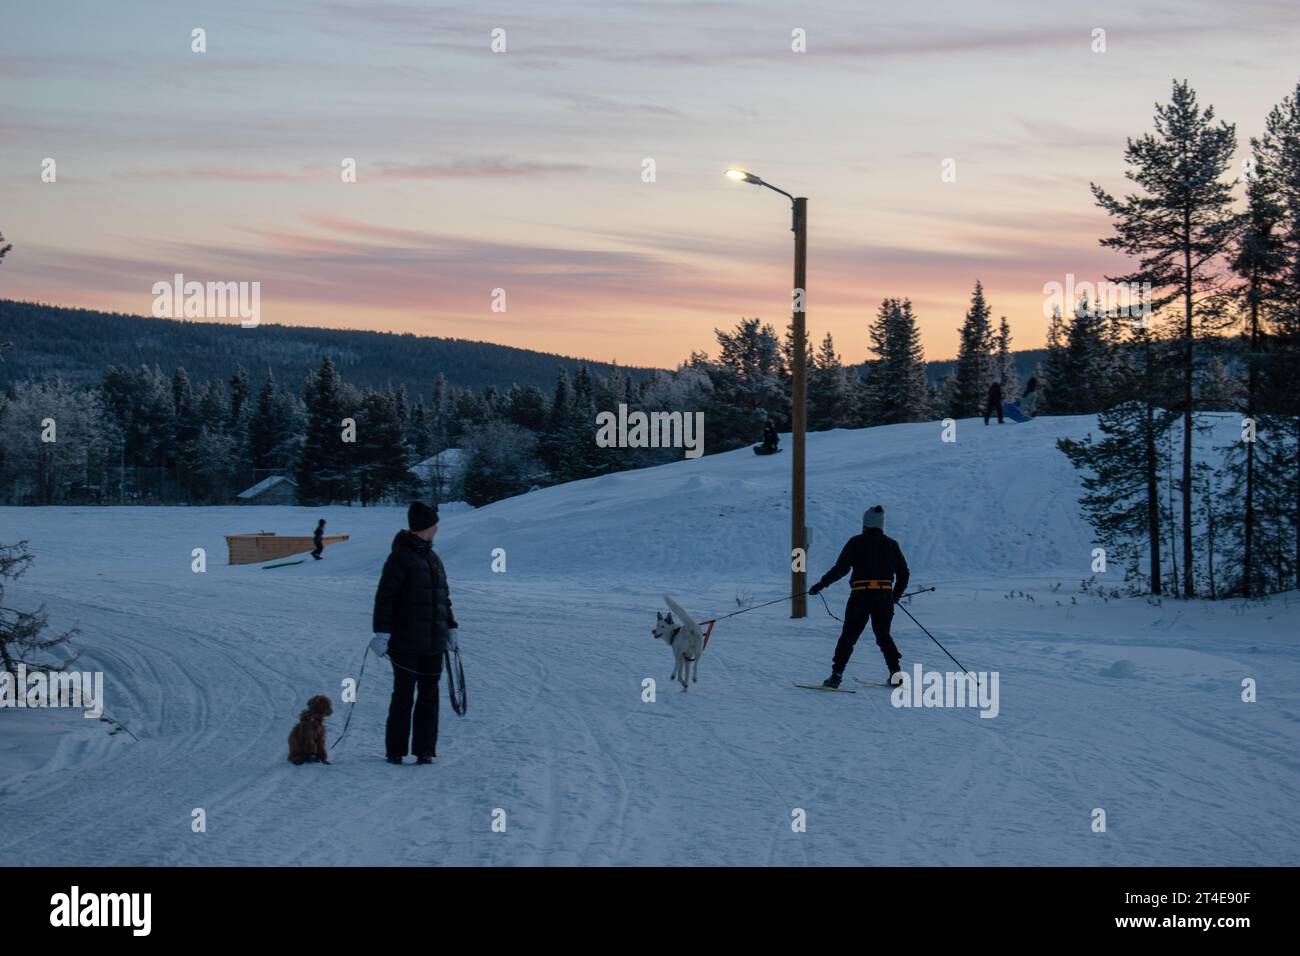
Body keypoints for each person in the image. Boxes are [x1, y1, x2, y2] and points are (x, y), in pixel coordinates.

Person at [372, 501, 457, 765]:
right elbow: (385, 598)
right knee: (404, 695)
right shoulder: (399, 558)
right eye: (434, 525)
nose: (436, 529)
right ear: (425, 527)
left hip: (433, 641)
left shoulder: (433, 558)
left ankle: (425, 750)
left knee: (430, 696)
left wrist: (451, 627)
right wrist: (382, 632)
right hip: (405, 642)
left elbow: (443, 598)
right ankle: (395, 750)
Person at [808, 505, 910, 687]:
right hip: (884, 597)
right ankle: (896, 674)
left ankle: (836, 676)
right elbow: (904, 574)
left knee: (849, 635)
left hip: (861, 596)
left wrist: (821, 584)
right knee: (883, 635)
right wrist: (895, 596)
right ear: (881, 525)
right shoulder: (892, 545)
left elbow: (841, 569)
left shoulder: (856, 542)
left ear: (865, 524)